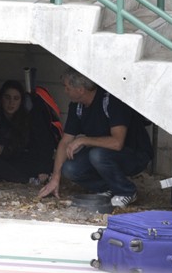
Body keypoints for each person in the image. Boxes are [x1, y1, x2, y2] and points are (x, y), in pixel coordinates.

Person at [38, 67, 153, 208]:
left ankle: (127, 191)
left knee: (97, 154)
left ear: (80, 89)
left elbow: (117, 143)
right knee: (69, 168)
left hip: (135, 154)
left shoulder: (111, 101)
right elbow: (65, 141)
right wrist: (55, 177)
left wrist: (83, 140)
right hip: (104, 154)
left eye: (67, 87)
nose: (65, 91)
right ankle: (108, 188)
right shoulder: (77, 106)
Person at [0, 80, 55, 184]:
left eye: (16, 98)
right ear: (1, 99)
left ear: (21, 101)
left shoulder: (29, 118)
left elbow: (44, 144)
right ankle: (26, 180)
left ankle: (4, 176)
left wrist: (44, 169)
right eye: (7, 98)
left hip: (24, 159)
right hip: (5, 160)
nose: (11, 103)